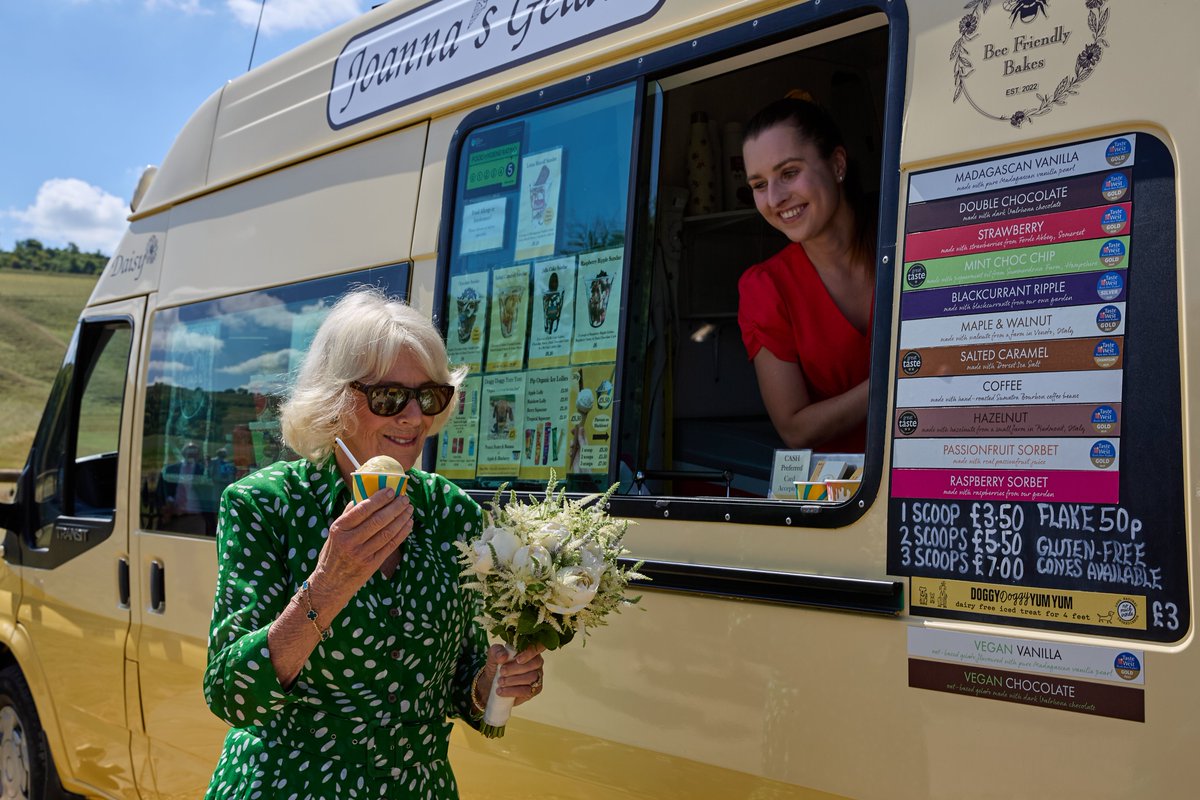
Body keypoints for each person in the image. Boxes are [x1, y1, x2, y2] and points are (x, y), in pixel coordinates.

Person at [203, 288, 545, 799]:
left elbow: (461, 680)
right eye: (388, 397)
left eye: (429, 396)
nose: (413, 417)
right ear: (338, 402)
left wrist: (492, 682)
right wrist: (329, 584)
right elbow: (230, 692)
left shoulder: (451, 513)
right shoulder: (266, 504)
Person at [737, 93, 875, 452]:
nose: (774, 198)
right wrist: (899, 382)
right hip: (846, 500)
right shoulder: (766, 287)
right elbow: (795, 429)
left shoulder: (908, 244)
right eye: (758, 185)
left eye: (789, 173)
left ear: (838, 165)